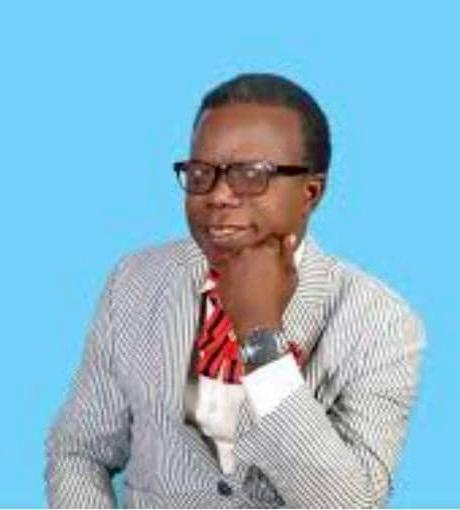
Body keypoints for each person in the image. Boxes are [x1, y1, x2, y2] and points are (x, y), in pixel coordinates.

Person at [45, 73, 424, 508]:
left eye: (251, 175)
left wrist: (261, 338)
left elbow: (351, 505)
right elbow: (78, 452)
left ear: (311, 193)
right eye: (202, 173)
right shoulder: (134, 281)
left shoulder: (381, 322)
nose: (219, 195)